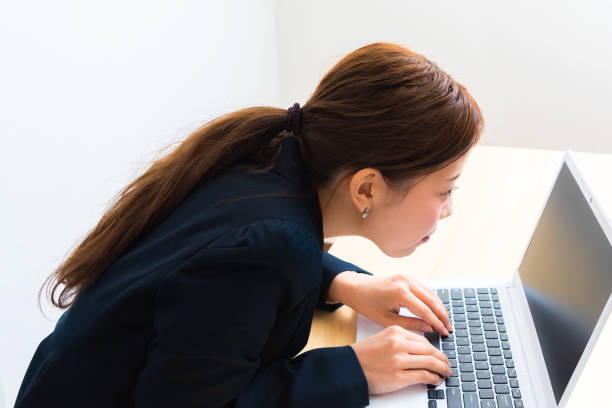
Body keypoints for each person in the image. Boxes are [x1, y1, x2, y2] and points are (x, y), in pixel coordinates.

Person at [15, 42, 484, 407]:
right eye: (445, 191)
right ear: (366, 189)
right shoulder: (270, 246)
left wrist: (341, 282)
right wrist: (353, 370)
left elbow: (230, 257)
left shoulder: (272, 158)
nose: (447, 212)